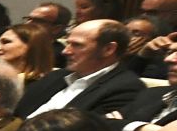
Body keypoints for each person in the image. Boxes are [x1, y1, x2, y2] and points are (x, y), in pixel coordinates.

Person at [14, 18, 144, 117]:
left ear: (108, 49)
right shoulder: (56, 76)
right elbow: (16, 113)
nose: (65, 51)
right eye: (68, 43)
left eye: (76, 45)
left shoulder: (125, 89)